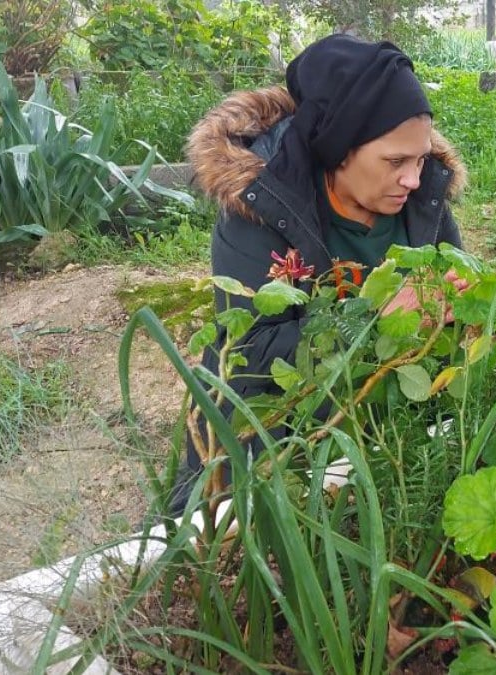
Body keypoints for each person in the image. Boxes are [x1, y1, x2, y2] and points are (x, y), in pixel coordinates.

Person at [171, 34, 468, 512]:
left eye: (420, 158)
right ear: (336, 149)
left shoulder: (424, 199)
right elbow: (250, 352)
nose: (414, 179)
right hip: (279, 427)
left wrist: (458, 307)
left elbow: (452, 297)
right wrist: (374, 315)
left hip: (386, 416)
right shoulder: (261, 204)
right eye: (395, 161)